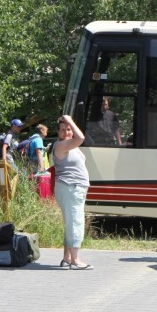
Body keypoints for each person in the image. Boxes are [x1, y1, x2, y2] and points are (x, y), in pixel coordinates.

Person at [53, 115, 93, 270]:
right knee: (76, 222)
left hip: (73, 188)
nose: (66, 132)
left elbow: (78, 139)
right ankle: (76, 260)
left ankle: (67, 258)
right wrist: (70, 121)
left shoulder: (70, 146)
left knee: (71, 223)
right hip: (70, 188)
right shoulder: (61, 145)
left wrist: (69, 124)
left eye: (68, 129)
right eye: (62, 130)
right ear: (58, 133)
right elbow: (81, 137)